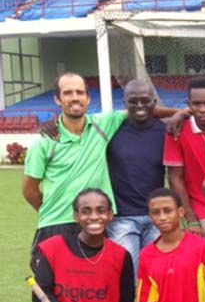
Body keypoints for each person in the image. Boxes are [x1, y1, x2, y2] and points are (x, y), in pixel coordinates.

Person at [22, 73, 129, 249]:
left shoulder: (103, 125)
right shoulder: (44, 142)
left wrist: (181, 113)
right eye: (68, 93)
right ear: (57, 99)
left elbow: (142, 107)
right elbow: (29, 189)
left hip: (95, 223)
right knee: (52, 277)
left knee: (99, 275)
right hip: (55, 225)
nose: (75, 98)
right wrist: (53, 208)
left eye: (80, 92)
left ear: (87, 98)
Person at [105, 79, 166, 302]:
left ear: (154, 101)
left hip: (157, 218)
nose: (140, 106)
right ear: (125, 102)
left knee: (158, 281)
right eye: (133, 101)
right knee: (128, 283)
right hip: (122, 219)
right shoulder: (111, 129)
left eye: (145, 100)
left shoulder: (166, 131)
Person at [163, 77, 205, 252]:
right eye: (196, 104)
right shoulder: (176, 131)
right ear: (188, 104)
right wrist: (191, 219)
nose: (203, 109)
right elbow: (175, 177)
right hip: (202, 213)